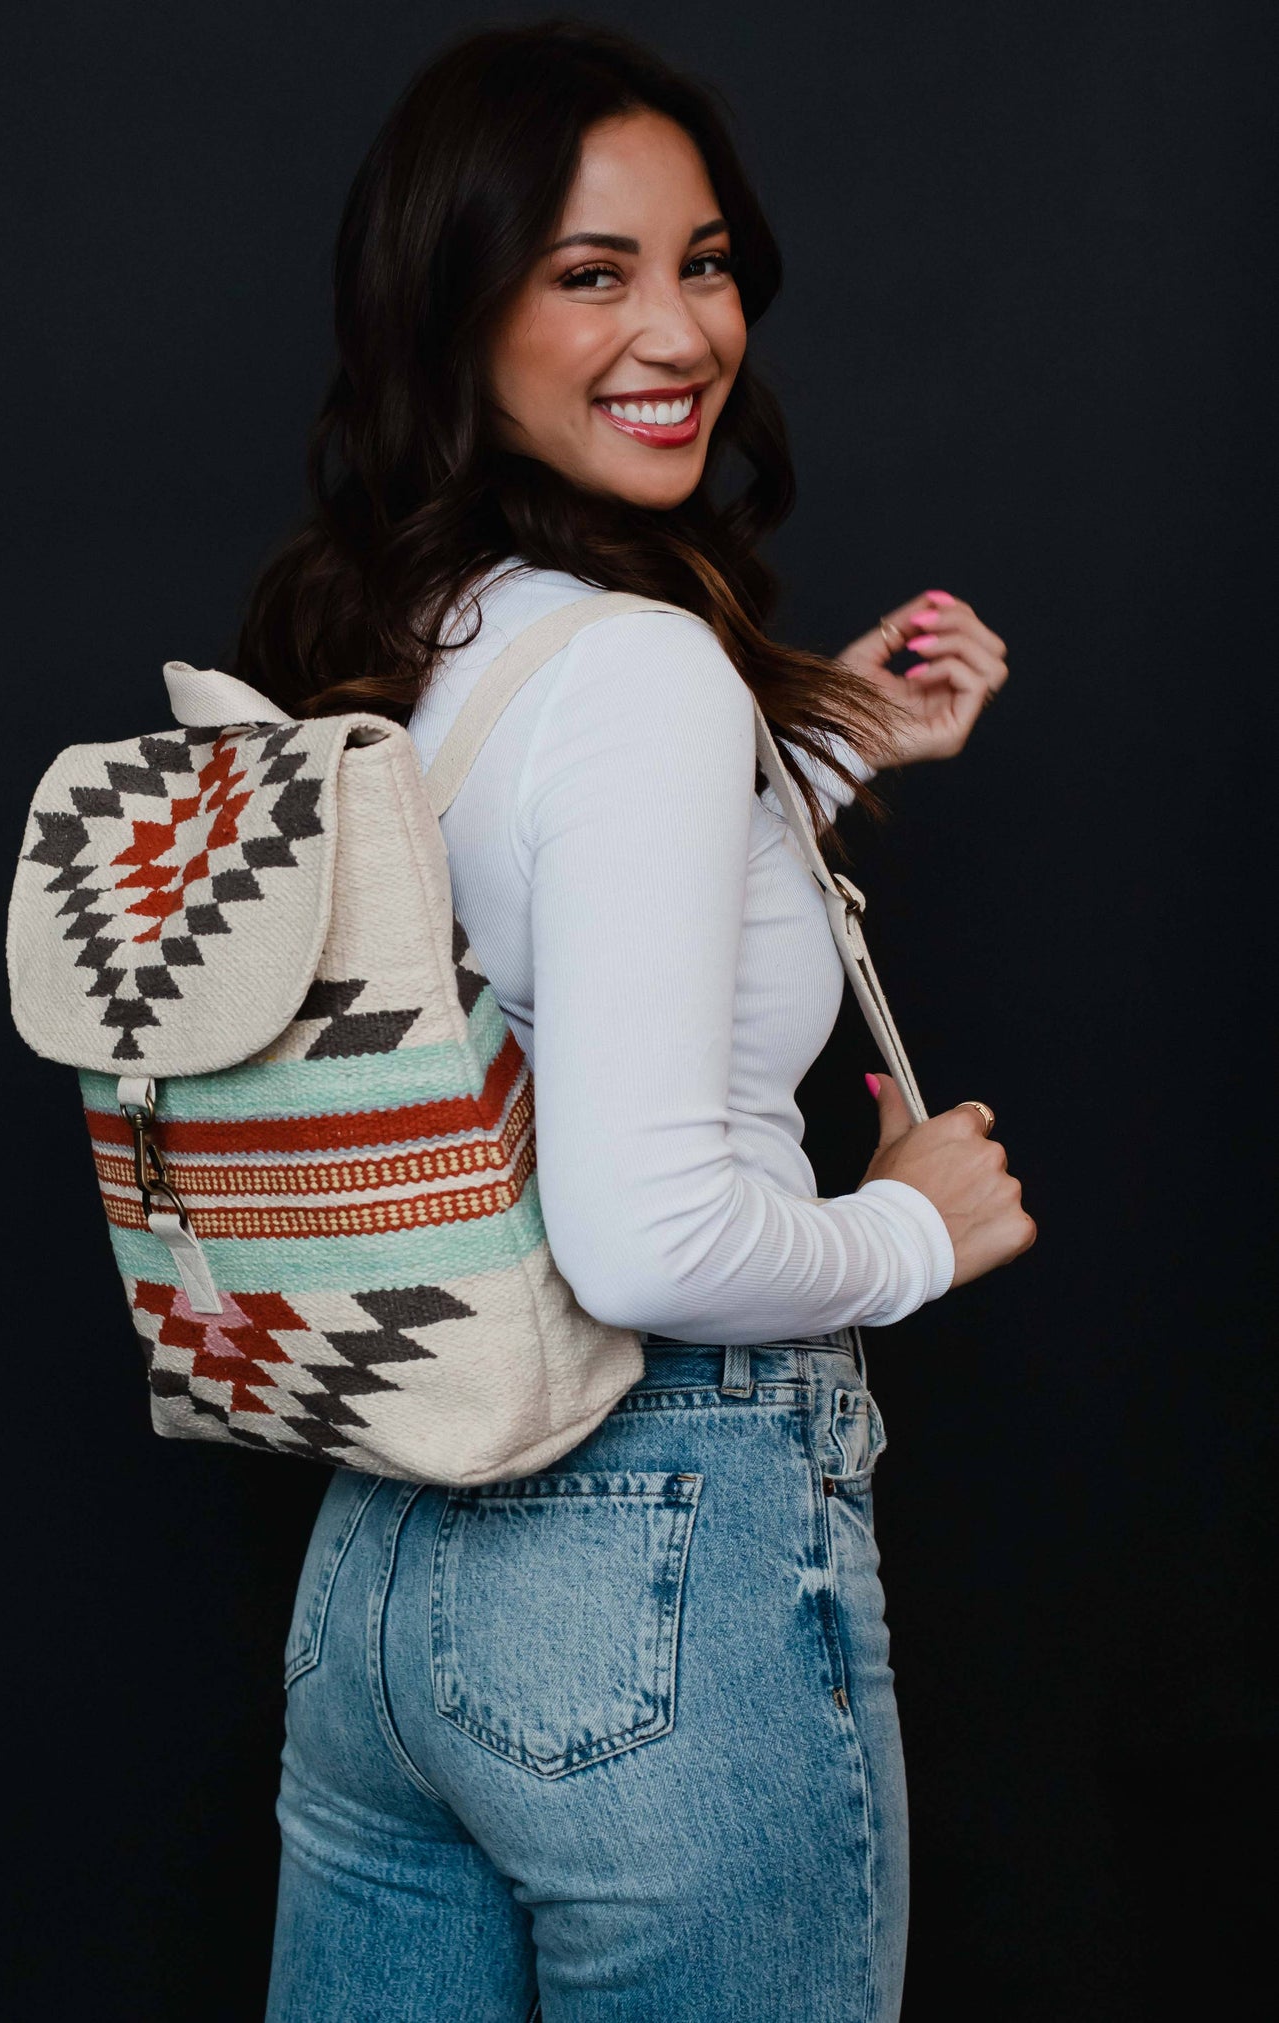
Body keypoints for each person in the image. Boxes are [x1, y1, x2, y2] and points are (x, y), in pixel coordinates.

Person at [243, 21, 1035, 2022]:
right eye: (589, 272)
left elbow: (550, 907)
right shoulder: (647, 670)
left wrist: (830, 742)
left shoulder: (413, 635)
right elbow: (644, 1237)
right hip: (657, 1548)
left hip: (389, 1570)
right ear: (457, 308)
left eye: (705, 261)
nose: (679, 327)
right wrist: (912, 1229)